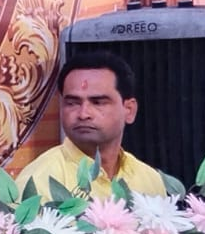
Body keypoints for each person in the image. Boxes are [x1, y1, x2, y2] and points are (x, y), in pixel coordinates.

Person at [16, 51, 166, 201]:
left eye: (98, 103)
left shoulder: (150, 181)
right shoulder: (39, 181)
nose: (83, 114)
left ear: (129, 110)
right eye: (72, 103)